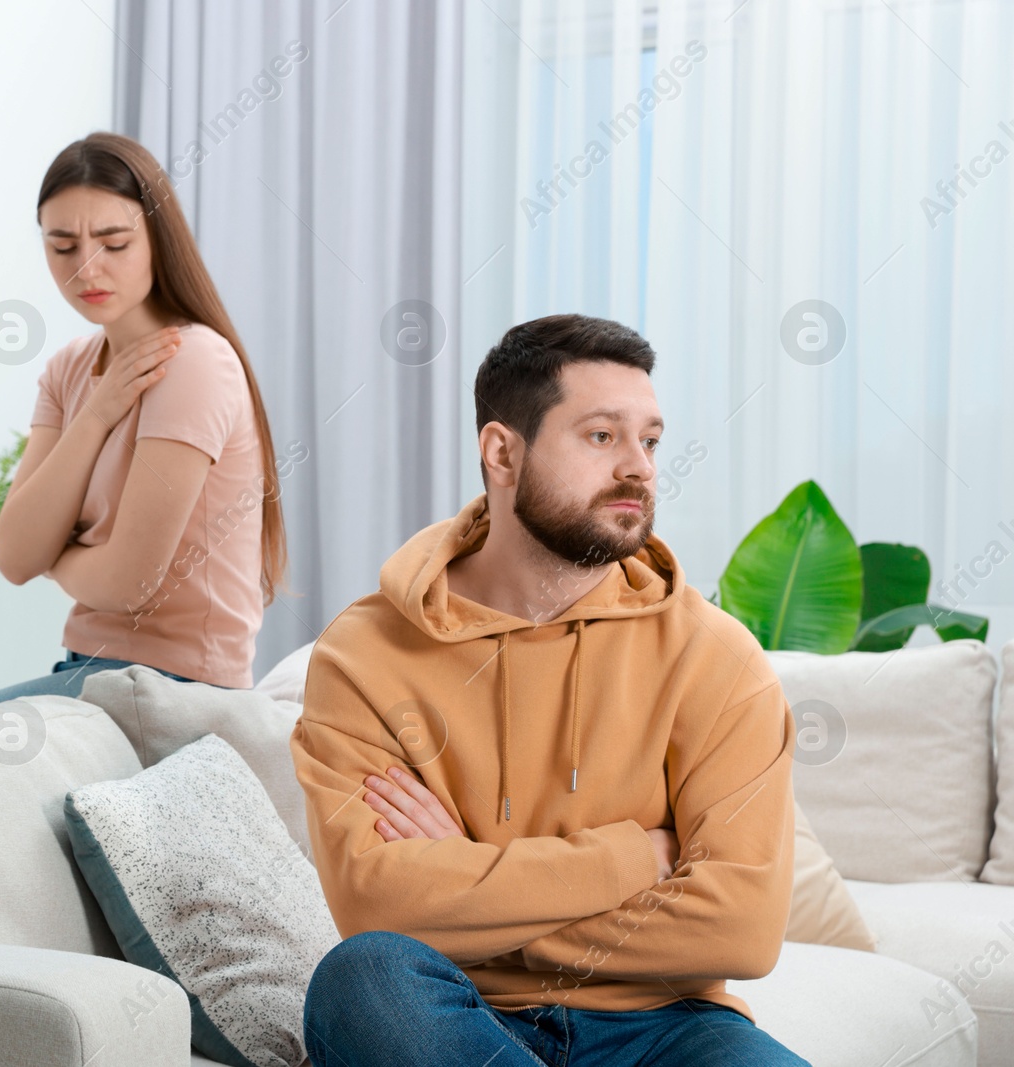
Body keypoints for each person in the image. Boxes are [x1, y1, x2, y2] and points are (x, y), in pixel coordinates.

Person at [290, 314, 807, 1066]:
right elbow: (377, 905)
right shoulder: (363, 655)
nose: (639, 466)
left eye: (651, 440)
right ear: (502, 451)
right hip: (456, 1012)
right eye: (602, 436)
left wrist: (467, 880)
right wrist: (637, 858)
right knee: (365, 978)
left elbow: (745, 927)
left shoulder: (714, 656)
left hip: (666, 1024)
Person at [0, 133, 287, 704]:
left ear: (157, 241)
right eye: (62, 246)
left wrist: (58, 556)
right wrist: (96, 413)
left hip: (176, 689)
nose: (87, 269)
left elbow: (129, 584)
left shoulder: (194, 360)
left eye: (114, 243)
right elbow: (16, 557)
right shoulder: (69, 370)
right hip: (87, 674)